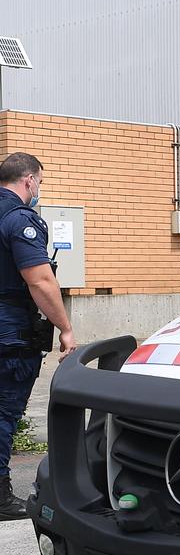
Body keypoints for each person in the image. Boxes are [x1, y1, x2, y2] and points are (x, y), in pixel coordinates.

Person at [0, 153, 76, 520]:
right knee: (3, 412)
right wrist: (65, 328)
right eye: (40, 183)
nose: (39, 190)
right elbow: (40, 280)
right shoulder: (20, 221)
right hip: (10, 333)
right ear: (29, 180)